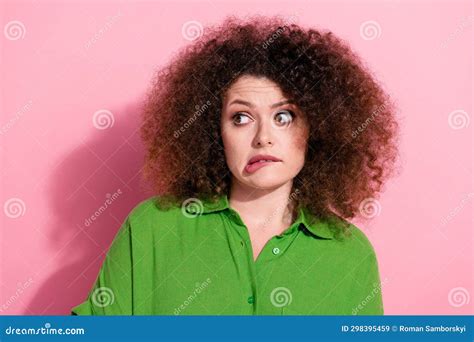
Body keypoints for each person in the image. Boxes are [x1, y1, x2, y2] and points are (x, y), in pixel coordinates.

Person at [71, 14, 399, 315]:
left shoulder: (350, 254)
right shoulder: (152, 229)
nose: (263, 137)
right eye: (241, 118)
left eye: (284, 117)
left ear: (317, 127)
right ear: (216, 132)